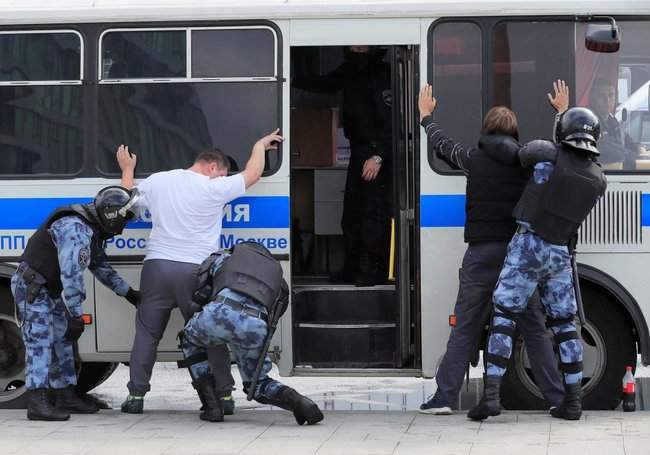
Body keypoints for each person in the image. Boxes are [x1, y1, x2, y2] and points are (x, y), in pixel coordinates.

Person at [416, 82, 567, 415]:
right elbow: (560, 154)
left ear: (486, 129)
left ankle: (443, 398)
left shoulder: (474, 158)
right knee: (533, 327)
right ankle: (557, 398)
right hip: (517, 258)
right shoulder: (526, 161)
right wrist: (561, 114)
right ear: (514, 132)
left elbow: (444, 146)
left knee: (466, 325)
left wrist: (427, 118)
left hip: (481, 254)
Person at [117, 129, 283, 414]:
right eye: (221, 173)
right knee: (210, 332)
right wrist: (259, 145)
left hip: (156, 267)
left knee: (146, 334)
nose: (222, 179)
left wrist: (127, 169)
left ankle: (135, 397)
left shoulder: (159, 180)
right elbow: (253, 173)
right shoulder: (212, 187)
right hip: (195, 271)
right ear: (212, 167)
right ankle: (224, 396)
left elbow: (127, 201)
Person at [468, 107, 607, 421]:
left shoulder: (547, 153)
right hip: (560, 252)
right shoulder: (599, 179)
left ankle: (490, 398)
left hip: (528, 246)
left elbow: (517, 154)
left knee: (504, 317)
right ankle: (572, 402)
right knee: (564, 325)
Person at [11, 186, 141, 421]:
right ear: (112, 217)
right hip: (33, 288)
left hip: (47, 289)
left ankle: (66, 394)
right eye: (123, 222)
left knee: (63, 340)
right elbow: (71, 275)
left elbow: (101, 268)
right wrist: (76, 314)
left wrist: (130, 294)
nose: (122, 230)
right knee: (40, 341)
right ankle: (37, 402)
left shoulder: (90, 228)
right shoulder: (76, 229)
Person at [177, 241, 324, 425]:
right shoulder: (277, 275)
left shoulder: (224, 257)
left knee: (189, 340)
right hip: (255, 324)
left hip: (220, 312)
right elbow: (277, 313)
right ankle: (301, 403)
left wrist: (197, 319)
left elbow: (200, 296)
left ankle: (212, 406)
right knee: (257, 384)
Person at [294, 46, 392, 286]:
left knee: (373, 213)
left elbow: (394, 122)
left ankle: (372, 269)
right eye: (351, 44)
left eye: (360, 44)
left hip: (376, 152)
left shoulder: (384, 73)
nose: (354, 47)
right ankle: (353, 266)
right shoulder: (351, 70)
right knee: (351, 215)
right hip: (359, 150)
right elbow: (325, 83)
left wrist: (379, 156)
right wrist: (290, 76)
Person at [589, 78, 641, 169]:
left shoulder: (613, 121)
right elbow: (606, 150)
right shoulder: (588, 120)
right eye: (601, 96)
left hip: (617, 175)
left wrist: (637, 149)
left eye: (611, 95)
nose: (607, 101)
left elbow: (630, 144)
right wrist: (629, 154)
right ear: (592, 98)